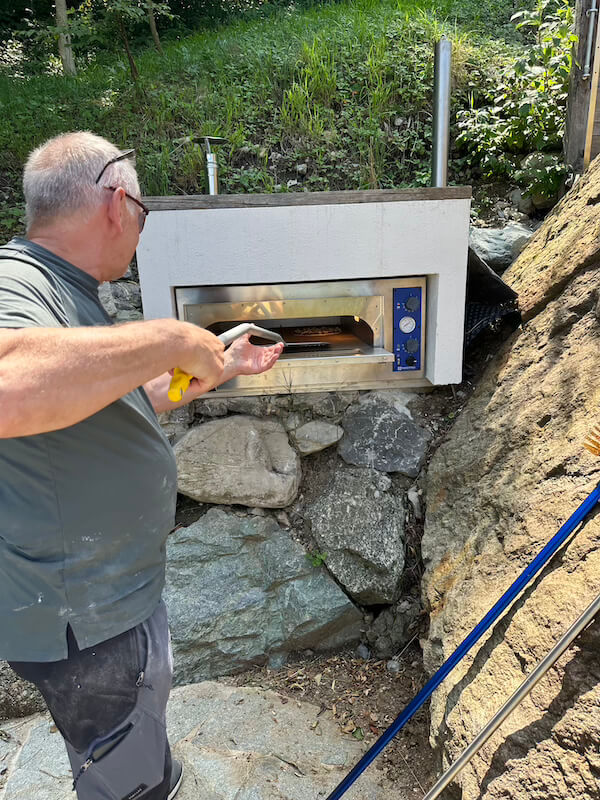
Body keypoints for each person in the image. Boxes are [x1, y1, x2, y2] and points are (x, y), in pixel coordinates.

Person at [0, 131, 284, 800]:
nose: (139, 229)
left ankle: (150, 769)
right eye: (143, 214)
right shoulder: (15, 283)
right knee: (121, 774)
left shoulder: (65, 287)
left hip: (108, 600)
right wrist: (170, 338)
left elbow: (102, 399)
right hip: (83, 617)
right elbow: (9, 388)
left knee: (135, 726)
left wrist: (212, 369)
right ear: (117, 204)